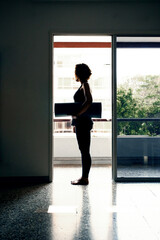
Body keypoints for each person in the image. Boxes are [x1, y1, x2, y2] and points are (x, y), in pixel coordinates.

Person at [71, 63, 93, 185]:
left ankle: (85, 178)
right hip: (81, 122)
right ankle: (84, 177)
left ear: (78, 73)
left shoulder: (85, 85)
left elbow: (89, 101)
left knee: (84, 150)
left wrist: (78, 115)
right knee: (83, 149)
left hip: (83, 122)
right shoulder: (83, 85)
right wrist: (75, 122)